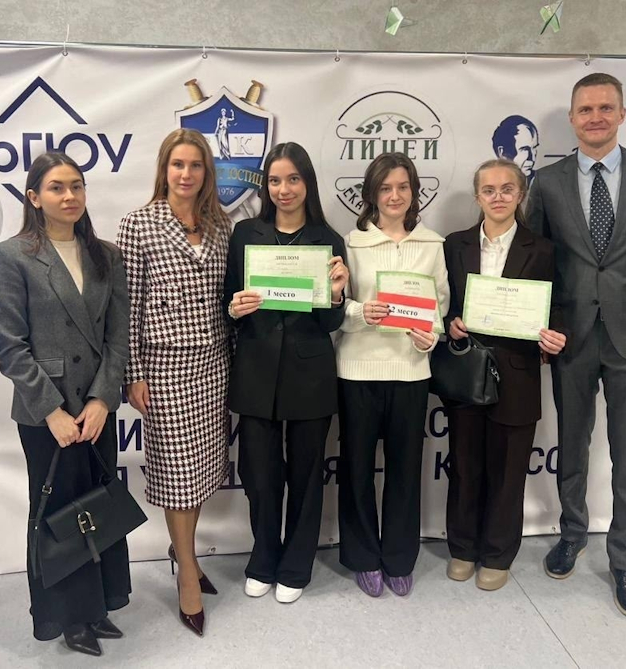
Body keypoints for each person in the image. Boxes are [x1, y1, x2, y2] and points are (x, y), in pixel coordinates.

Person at [526, 73, 626, 618]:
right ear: (572, 118)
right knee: (572, 442)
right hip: (570, 336)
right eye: (585, 109)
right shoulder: (547, 181)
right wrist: (540, 326)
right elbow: (535, 261)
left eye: (605, 108)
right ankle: (572, 533)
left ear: (622, 114)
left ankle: (624, 558)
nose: (595, 117)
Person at [0, 151, 131, 657]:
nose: (69, 196)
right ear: (33, 197)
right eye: (56, 187)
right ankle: (68, 617)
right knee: (58, 514)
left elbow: (118, 337)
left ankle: (99, 605)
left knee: (98, 506)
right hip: (47, 412)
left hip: (95, 410)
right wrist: (52, 411)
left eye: (76, 186)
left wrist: (103, 399)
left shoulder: (106, 255)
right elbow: (10, 345)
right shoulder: (12, 256)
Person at [116, 128, 231, 636]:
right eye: (178, 164)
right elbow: (126, 307)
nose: (186, 174)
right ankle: (187, 571)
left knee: (200, 471)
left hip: (214, 365)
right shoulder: (138, 224)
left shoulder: (222, 225)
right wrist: (133, 374)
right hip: (164, 368)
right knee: (177, 476)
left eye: (196, 165)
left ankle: (184, 552)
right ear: (164, 169)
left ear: (207, 172)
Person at [224, 142, 349, 604]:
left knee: (306, 475)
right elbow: (228, 301)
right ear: (265, 187)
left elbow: (331, 322)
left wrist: (336, 295)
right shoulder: (245, 234)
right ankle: (263, 559)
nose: (284, 189)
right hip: (256, 370)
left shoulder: (328, 239)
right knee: (260, 476)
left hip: (309, 373)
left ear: (307, 183)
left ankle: (296, 565)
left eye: (293, 179)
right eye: (275, 180)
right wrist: (235, 307)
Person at [441, 158, 566, 591]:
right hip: (466, 371)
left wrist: (555, 335)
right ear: (477, 196)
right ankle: (462, 547)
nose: (498, 197)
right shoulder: (454, 245)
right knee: (464, 466)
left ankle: (497, 554)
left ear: (520, 194)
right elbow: (443, 301)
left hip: (518, 373)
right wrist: (450, 323)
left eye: (507, 189)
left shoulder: (544, 249)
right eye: (489, 190)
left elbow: (558, 305)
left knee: (509, 471)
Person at [336, 152, 449, 598]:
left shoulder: (433, 244)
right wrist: (360, 312)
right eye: (385, 188)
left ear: (414, 192)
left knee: (405, 471)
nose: (395, 196)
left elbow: (439, 308)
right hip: (357, 369)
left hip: (410, 372)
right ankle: (364, 556)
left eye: (403, 187)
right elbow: (337, 305)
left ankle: (400, 558)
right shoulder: (351, 243)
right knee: (357, 470)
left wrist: (429, 338)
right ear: (372, 194)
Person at [492, 115, 540, 185]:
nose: (532, 158)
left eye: (534, 148)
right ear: (502, 153)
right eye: (524, 149)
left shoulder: (544, 182)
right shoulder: (489, 182)